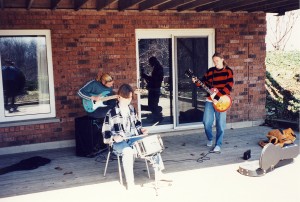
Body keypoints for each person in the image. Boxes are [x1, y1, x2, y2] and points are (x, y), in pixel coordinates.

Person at [102, 83, 171, 190]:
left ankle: (159, 173)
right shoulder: (111, 113)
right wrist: (113, 138)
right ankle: (130, 182)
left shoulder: (131, 109)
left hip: (132, 137)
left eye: (130, 98)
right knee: (128, 152)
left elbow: (137, 125)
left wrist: (141, 130)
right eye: (125, 98)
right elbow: (106, 135)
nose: (128, 100)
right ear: (119, 97)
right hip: (119, 142)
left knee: (150, 143)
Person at [192, 52, 234, 152]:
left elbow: (229, 86)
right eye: (214, 61)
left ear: (222, 59)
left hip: (221, 101)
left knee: (220, 123)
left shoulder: (228, 71)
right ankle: (210, 138)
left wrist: (218, 96)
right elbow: (203, 83)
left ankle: (218, 144)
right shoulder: (211, 71)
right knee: (206, 122)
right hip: (210, 100)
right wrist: (196, 82)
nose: (215, 63)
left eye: (217, 61)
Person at [141, 56, 164, 123]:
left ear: (153, 61)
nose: (149, 64)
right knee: (153, 105)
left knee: (152, 105)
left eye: (150, 63)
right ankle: (157, 117)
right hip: (154, 89)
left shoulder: (158, 68)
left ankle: (158, 117)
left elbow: (154, 80)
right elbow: (153, 80)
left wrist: (145, 76)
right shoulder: (157, 68)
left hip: (155, 89)